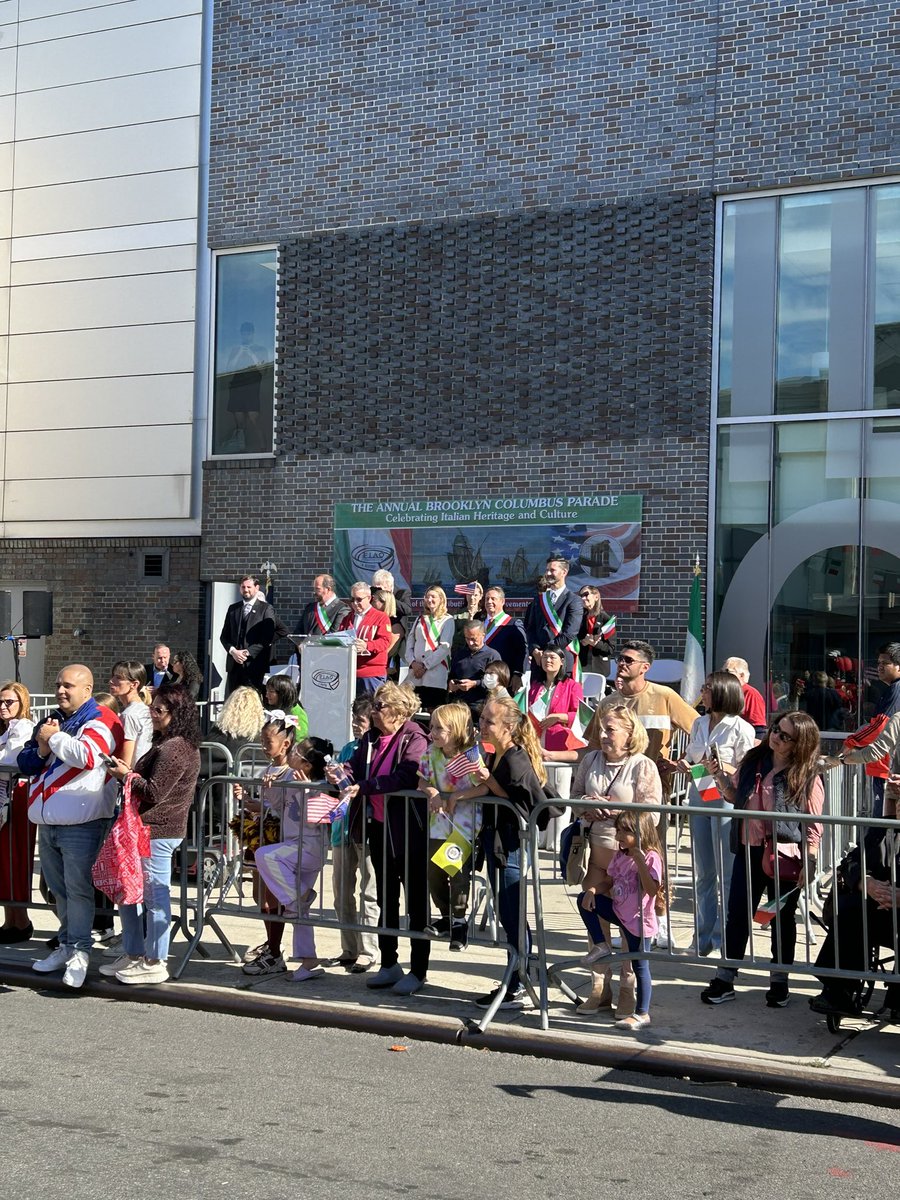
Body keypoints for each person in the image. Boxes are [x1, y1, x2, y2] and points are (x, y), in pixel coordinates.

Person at [700, 711, 824, 1008]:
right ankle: (725, 977)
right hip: (748, 848)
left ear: (799, 744)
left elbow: (813, 824)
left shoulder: (806, 774)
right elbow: (733, 796)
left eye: (784, 735)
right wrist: (715, 773)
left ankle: (779, 981)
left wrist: (810, 861)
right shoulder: (755, 760)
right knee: (738, 913)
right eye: (775, 729)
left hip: (784, 855)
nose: (775, 736)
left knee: (781, 919)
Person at [18, 664, 124, 988]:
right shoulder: (52, 720)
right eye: (58, 684)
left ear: (87, 690)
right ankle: (66, 945)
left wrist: (54, 737)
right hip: (47, 821)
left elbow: (87, 756)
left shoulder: (103, 719)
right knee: (58, 890)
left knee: (78, 891)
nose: (61, 690)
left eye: (69, 686)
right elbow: (26, 761)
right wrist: (41, 746)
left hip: (83, 822)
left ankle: (80, 950)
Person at [328, 682, 429, 995]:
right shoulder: (371, 738)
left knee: (414, 902)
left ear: (399, 711)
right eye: (374, 705)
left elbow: (407, 776)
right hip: (376, 826)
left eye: (380, 706)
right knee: (386, 897)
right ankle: (389, 963)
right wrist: (340, 774)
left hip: (408, 828)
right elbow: (354, 767)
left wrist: (367, 786)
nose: (373, 711)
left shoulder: (414, 737)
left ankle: (419, 969)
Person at [100, 685, 201, 985]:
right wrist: (128, 773)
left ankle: (156, 959)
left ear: (177, 713)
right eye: (152, 708)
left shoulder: (176, 748)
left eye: (160, 710)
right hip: (144, 828)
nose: (153, 715)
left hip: (157, 830)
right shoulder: (169, 743)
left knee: (154, 894)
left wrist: (125, 775)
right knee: (129, 892)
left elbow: (155, 792)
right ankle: (134, 953)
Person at [454, 696, 547, 1010]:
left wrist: (485, 780)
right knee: (510, 917)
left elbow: (514, 798)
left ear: (508, 727)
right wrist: (458, 795)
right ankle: (515, 978)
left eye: (489, 721)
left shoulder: (515, 758)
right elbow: (490, 787)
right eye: (481, 720)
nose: (482, 726)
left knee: (513, 917)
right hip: (497, 844)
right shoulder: (497, 754)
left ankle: (517, 984)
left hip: (510, 846)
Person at [570, 703, 662, 1017]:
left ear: (629, 733)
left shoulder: (643, 765)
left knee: (627, 922)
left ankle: (627, 987)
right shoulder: (591, 758)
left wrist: (617, 812)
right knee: (593, 912)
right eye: (601, 729)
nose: (604, 735)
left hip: (627, 858)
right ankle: (599, 986)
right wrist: (586, 805)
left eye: (611, 730)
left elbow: (652, 812)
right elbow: (575, 794)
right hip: (595, 852)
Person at [671, 671, 755, 956]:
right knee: (704, 872)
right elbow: (693, 756)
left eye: (707, 688)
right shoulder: (699, 723)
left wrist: (722, 768)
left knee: (727, 873)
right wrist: (683, 763)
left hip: (725, 796)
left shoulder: (741, 728)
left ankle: (723, 940)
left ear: (721, 692)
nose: (702, 692)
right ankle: (702, 939)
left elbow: (747, 772)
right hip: (701, 789)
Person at [254, 735, 336, 983]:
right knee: (299, 911)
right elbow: (279, 807)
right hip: (293, 844)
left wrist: (307, 790)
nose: (291, 755)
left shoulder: (322, 784)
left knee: (264, 855)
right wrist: (271, 787)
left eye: (298, 754)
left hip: (309, 847)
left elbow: (317, 817)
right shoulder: (290, 776)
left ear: (307, 765)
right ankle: (308, 961)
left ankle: (298, 896)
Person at [578, 810, 663, 1031]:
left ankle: (642, 1013)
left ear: (641, 833)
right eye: (618, 830)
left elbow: (652, 890)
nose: (619, 836)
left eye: (625, 831)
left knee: (640, 965)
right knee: (584, 900)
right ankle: (601, 944)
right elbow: (609, 879)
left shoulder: (651, 857)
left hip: (638, 921)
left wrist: (641, 863)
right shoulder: (620, 854)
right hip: (618, 910)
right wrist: (594, 890)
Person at [233, 711, 302, 977]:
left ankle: (275, 951)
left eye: (268, 741)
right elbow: (264, 805)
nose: (263, 746)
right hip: (262, 835)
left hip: (278, 838)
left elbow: (284, 804)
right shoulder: (270, 768)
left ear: (285, 743)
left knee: (273, 896)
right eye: (261, 740)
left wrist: (269, 795)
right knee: (259, 895)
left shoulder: (291, 772)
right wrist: (245, 799)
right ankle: (271, 945)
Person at [418, 703, 487, 951]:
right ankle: (445, 916)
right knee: (434, 871)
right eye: (432, 727)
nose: (433, 732)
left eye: (439, 728)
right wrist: (432, 790)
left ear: (455, 730)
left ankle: (459, 921)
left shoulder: (470, 755)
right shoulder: (430, 753)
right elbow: (422, 778)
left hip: (463, 825)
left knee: (457, 873)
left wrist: (459, 796)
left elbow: (484, 786)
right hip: (438, 823)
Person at [330, 696, 379, 972]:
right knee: (341, 891)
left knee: (368, 892)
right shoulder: (348, 748)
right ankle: (348, 947)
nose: (355, 725)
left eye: (360, 721)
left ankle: (368, 950)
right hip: (342, 828)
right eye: (353, 720)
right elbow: (339, 785)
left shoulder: (375, 747)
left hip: (367, 827)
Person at [839, 642, 900, 819]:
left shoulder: (896, 690)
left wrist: (851, 742)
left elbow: (880, 726)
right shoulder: (891, 689)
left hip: (887, 770)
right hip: (885, 767)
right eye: (878, 663)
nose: (880, 667)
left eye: (885, 663)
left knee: (882, 826)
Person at [0, 681, 35, 943]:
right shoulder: (6, 728)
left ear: (21, 703)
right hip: (5, 797)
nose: (3, 706)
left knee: (15, 858)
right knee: (4, 860)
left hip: (17, 797)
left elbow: (11, 760)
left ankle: (20, 921)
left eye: (9, 702)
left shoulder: (24, 727)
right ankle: (9, 920)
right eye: (0, 702)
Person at [523, 555, 583, 680]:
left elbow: (569, 633)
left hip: (561, 661)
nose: (548, 573)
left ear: (564, 572)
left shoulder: (574, 600)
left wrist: (546, 652)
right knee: (537, 698)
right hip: (539, 662)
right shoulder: (539, 599)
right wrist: (534, 649)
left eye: (552, 570)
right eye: (547, 570)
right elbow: (530, 628)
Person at [219, 575, 277, 696]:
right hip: (234, 666)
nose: (245, 590)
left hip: (254, 666)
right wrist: (233, 651)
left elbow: (266, 638)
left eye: (249, 587)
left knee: (252, 702)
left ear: (256, 588)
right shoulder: (233, 609)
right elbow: (224, 636)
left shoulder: (266, 609)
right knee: (233, 702)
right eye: (243, 587)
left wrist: (247, 652)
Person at [404, 586, 455, 713]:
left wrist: (425, 666)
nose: (429, 599)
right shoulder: (420, 619)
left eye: (433, 596)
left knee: (434, 711)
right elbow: (410, 643)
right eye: (427, 596)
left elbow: (444, 647)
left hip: (435, 673)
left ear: (441, 599)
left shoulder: (447, 620)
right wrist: (413, 663)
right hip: (415, 674)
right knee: (411, 710)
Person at [339, 582, 393, 696]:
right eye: (352, 599)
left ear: (369, 598)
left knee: (371, 710)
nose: (355, 603)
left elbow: (385, 641)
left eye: (359, 599)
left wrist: (367, 645)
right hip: (350, 672)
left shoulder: (381, 617)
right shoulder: (347, 618)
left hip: (371, 673)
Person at [527, 646, 583, 752]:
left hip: (559, 740)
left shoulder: (572, 686)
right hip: (535, 740)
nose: (548, 660)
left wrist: (558, 717)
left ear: (562, 661)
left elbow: (580, 715)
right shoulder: (535, 686)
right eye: (545, 657)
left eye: (552, 657)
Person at [448, 621, 502, 716]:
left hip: (481, 708)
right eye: (467, 639)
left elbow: (496, 682)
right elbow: (452, 675)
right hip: (459, 707)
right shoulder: (460, 654)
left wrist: (474, 684)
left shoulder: (492, 656)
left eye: (474, 639)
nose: (470, 643)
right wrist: (452, 684)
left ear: (483, 636)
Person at [107, 661, 153, 767]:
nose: (111, 681)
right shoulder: (143, 709)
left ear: (134, 684)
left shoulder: (129, 715)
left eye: (118, 678)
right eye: (113, 676)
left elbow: (125, 762)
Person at [481, 586, 528, 688]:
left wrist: (518, 673)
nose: (489, 601)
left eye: (493, 599)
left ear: (502, 601)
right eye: (486, 599)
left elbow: (522, 650)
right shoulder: (480, 624)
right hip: (482, 678)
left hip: (504, 678)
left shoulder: (513, 624)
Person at [722, 657, 767, 737]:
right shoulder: (724, 692)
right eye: (722, 672)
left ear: (741, 675)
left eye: (728, 671)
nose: (724, 675)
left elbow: (758, 729)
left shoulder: (751, 694)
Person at [578, 585, 616, 678]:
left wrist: (594, 643)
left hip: (599, 667)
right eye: (581, 596)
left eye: (586, 595)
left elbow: (610, 648)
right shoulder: (578, 617)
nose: (583, 598)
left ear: (596, 597)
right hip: (581, 665)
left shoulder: (606, 619)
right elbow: (573, 640)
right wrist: (583, 642)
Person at [264, 675, 309, 739]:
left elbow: (300, 740)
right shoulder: (277, 710)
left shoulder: (296, 714)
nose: (267, 695)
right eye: (267, 691)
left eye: (271, 691)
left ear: (283, 693)